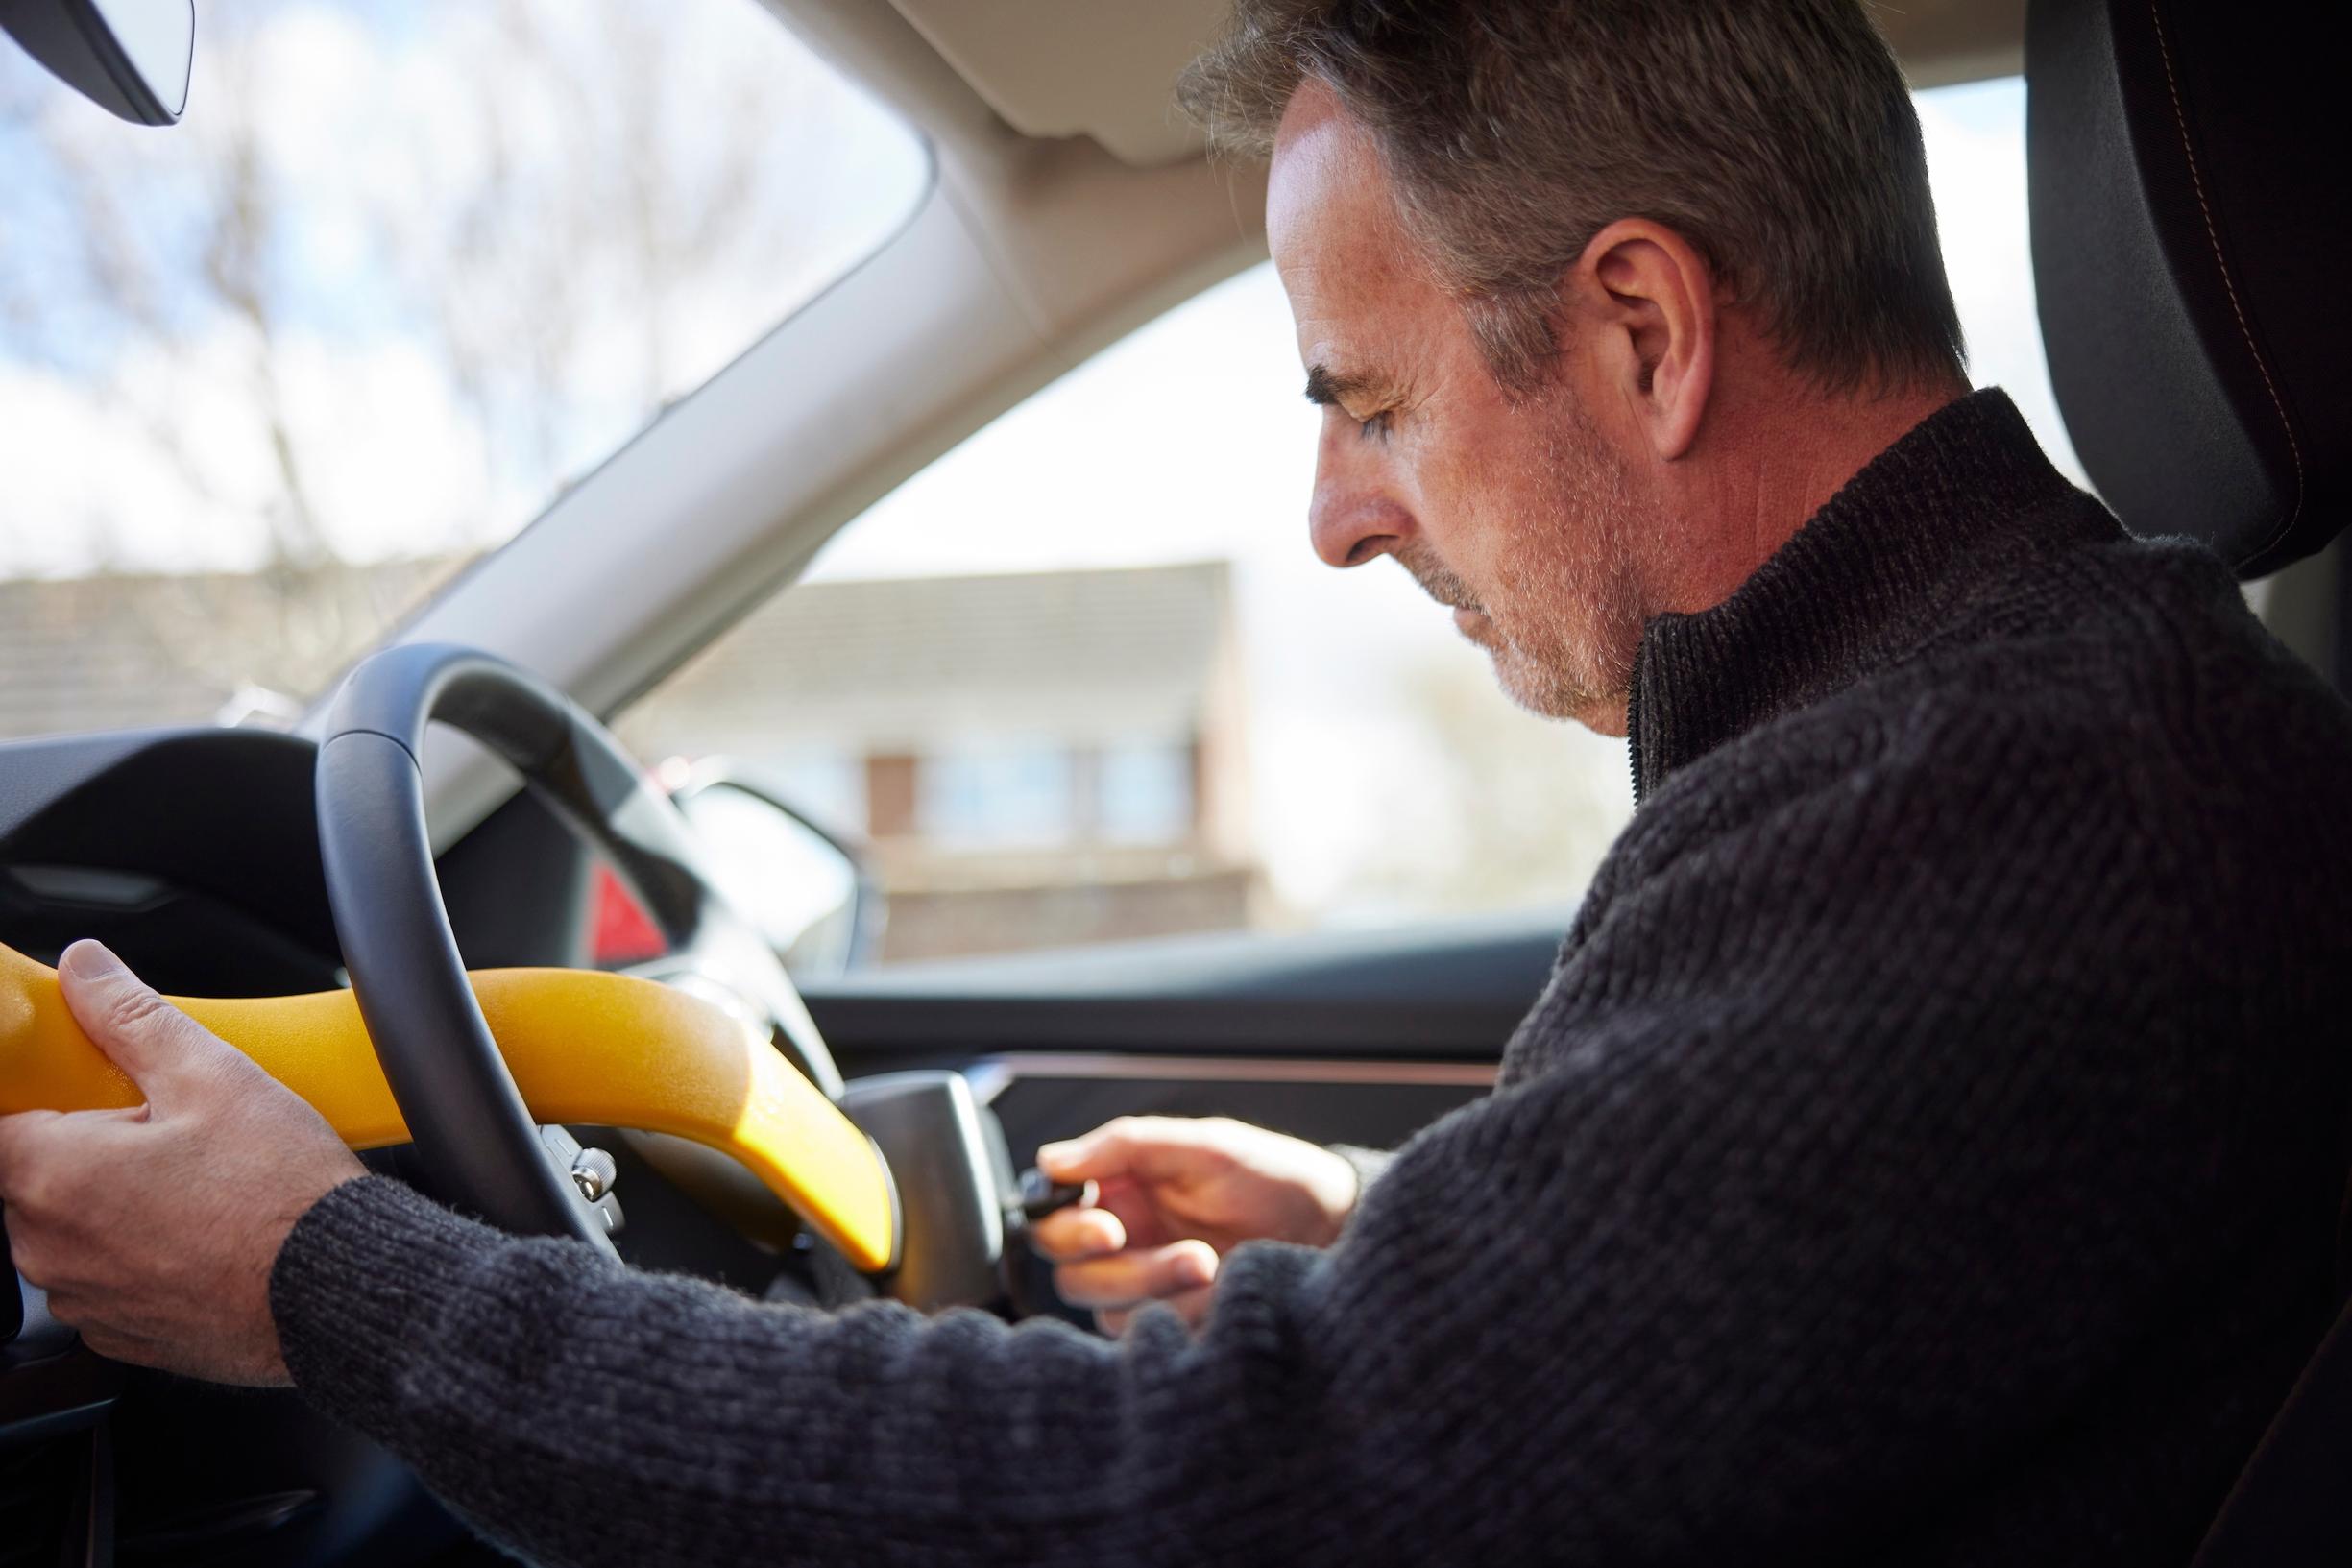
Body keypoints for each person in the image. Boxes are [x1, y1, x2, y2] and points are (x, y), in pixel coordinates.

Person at [6, 1, 2352, 1562]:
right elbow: (1783, 1308)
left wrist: (324, 1276)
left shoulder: (2016, 793)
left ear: (1640, 332)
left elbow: (1209, 1506)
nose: (1338, 514)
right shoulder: (1980, 741)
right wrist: (1407, 1236)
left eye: (1370, 398)